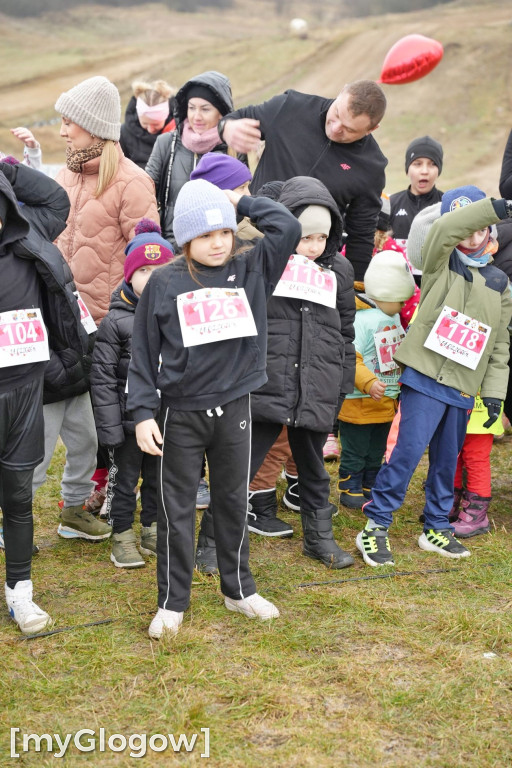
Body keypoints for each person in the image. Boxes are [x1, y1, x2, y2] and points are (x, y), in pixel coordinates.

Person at [127, 179, 302, 639]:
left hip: (236, 408)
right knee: (176, 508)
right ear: (185, 239)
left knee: (230, 500)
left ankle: (238, 590)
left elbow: (286, 226)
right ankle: (171, 602)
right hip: (179, 413)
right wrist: (143, 413)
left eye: (224, 232)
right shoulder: (164, 282)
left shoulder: (252, 268)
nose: (218, 243)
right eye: (205, 236)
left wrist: (239, 202)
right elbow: (142, 354)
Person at [356, 186, 512, 567]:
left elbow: (499, 346)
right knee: (407, 453)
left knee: (446, 460)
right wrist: (494, 207)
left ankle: (437, 527)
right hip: (424, 378)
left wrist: (494, 395)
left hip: (462, 387)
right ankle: (375, 526)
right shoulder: (440, 261)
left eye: (481, 229)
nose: (472, 236)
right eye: (467, 227)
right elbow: (446, 229)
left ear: (491, 233)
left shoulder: (500, 284)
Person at [53, 74, 159, 532]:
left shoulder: (132, 183)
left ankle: (111, 490)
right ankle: (85, 494)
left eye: (69, 122)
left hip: (107, 323)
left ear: (93, 127)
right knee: (76, 416)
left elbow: (147, 258)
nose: (62, 132)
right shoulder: (62, 176)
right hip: (63, 322)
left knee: (109, 412)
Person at [246, 176, 356, 568]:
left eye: (321, 238)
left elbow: (344, 332)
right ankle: (214, 542)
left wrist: (339, 386)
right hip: (268, 384)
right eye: (305, 236)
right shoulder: (266, 261)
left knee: (313, 468)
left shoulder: (339, 270)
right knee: (243, 464)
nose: (312, 247)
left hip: (315, 386)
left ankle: (319, 540)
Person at [0, 164, 88, 634]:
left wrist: (3, 167)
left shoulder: (26, 241)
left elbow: (56, 198)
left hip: (22, 396)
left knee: (17, 498)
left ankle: (21, 593)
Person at [217, 79, 387, 280]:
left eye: (349, 130)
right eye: (336, 114)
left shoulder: (371, 166)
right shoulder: (291, 107)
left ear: (371, 129)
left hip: (309, 264)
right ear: (340, 93)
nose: (335, 129)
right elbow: (234, 119)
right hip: (252, 241)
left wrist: (355, 288)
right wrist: (227, 127)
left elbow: (361, 235)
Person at [90, 220, 175, 568]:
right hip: (126, 422)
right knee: (125, 481)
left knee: (158, 477)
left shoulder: (175, 314)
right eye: (143, 270)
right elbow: (103, 378)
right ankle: (121, 535)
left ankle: (151, 528)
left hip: (164, 417)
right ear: (129, 275)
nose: (151, 277)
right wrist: (110, 427)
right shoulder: (115, 322)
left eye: (160, 270)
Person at [338, 250, 415, 508]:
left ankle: (370, 481)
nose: (404, 306)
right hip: (359, 401)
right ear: (386, 294)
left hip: (386, 400)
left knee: (377, 447)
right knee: (355, 447)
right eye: (401, 301)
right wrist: (368, 383)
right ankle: (349, 484)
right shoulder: (361, 321)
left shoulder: (392, 317)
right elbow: (351, 356)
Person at [145, 70, 238, 247]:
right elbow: (144, 192)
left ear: (221, 112)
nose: (196, 116)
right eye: (191, 107)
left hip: (214, 252)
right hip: (169, 248)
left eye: (205, 109)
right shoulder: (166, 144)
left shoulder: (233, 149)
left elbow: (240, 205)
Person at [389, 136, 444, 284]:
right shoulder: (391, 204)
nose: (424, 171)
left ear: (439, 170)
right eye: (417, 164)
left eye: (432, 164)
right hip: (398, 287)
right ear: (407, 169)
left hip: (436, 286)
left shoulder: (447, 205)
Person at [120, 79, 176, 169]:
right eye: (145, 123)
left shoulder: (181, 130)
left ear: (166, 116)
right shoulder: (123, 134)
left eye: (156, 124)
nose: (150, 129)